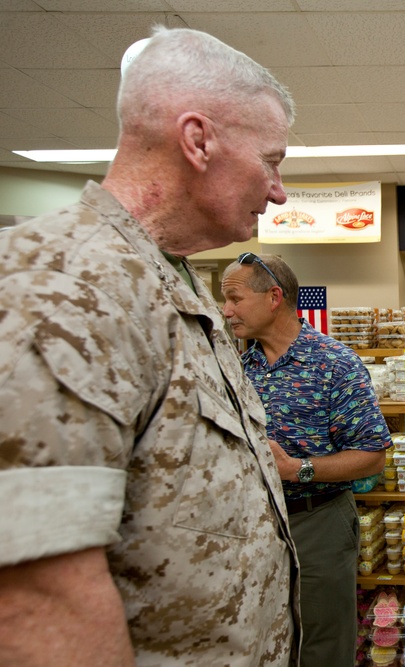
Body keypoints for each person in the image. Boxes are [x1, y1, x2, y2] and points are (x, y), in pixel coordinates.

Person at [0, 26, 300, 666]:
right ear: (198, 141)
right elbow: (35, 601)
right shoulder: (67, 283)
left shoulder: (170, 280)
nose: (278, 190)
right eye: (271, 160)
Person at [221, 253, 391, 667]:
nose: (226, 311)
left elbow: (372, 456)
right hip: (257, 524)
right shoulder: (241, 367)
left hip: (317, 522)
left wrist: (298, 469)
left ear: (274, 297)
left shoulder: (335, 363)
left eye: (234, 298)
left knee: (323, 642)